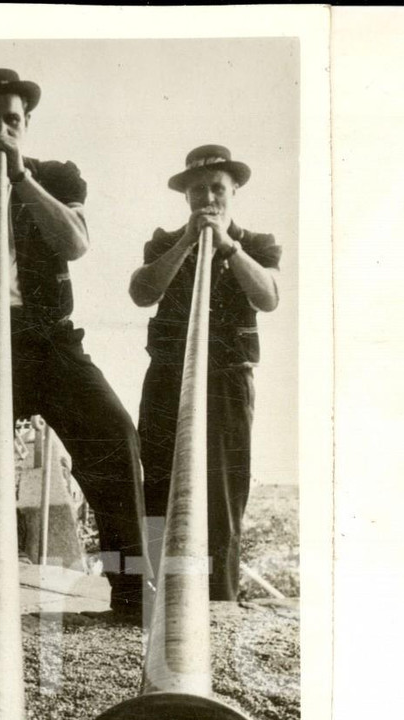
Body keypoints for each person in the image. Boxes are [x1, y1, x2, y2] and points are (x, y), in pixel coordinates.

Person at [0, 68, 149, 619]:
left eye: (12, 120)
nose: (1, 130)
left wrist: (23, 181)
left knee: (114, 437)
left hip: (48, 342)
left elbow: (76, 244)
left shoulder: (56, 179)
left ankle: (133, 592)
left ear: (26, 124)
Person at [129, 144, 281, 602]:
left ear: (234, 190)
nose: (207, 198)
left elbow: (269, 297)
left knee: (223, 493)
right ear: (187, 197)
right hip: (168, 379)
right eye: (198, 191)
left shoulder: (257, 244)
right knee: (157, 482)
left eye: (217, 188)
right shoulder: (163, 241)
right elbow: (141, 292)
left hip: (227, 382)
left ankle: (218, 601)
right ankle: (156, 598)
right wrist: (187, 242)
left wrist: (227, 245)